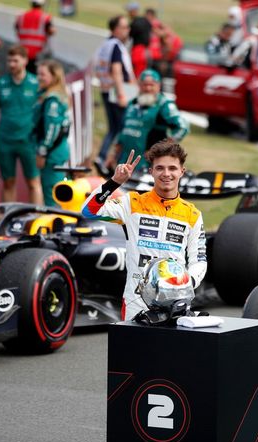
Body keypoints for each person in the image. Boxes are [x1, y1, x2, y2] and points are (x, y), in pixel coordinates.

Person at [82, 140, 207, 319]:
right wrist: (114, 182)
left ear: (182, 171)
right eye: (160, 168)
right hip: (136, 302)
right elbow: (88, 211)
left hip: (176, 303)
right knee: (131, 348)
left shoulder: (193, 214)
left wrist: (185, 284)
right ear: (151, 172)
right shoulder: (132, 203)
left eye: (172, 168)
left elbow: (199, 260)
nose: (166, 174)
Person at [0, 45, 43, 204]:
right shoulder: (1, 84)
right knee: (8, 183)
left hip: (29, 141)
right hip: (6, 141)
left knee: (33, 182)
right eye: (9, 61)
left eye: (15, 61)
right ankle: (9, 220)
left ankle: (37, 221)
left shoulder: (35, 83)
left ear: (24, 61)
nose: (11, 64)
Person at [106, 69, 188, 173]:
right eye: (144, 85)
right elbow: (123, 130)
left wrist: (161, 150)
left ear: (158, 86)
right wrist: (112, 155)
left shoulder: (164, 105)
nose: (148, 88)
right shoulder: (132, 103)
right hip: (124, 162)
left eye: (151, 85)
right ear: (139, 85)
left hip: (148, 166)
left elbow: (183, 128)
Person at [93, 15, 136, 173]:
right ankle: (112, 160)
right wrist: (122, 95)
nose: (128, 30)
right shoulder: (116, 46)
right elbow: (117, 71)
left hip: (106, 89)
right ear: (115, 29)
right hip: (118, 92)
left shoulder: (106, 44)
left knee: (113, 128)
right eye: (124, 27)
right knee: (123, 128)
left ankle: (102, 157)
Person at [33, 59, 71, 206]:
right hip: (59, 150)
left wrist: (42, 152)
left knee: (53, 193)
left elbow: (52, 130)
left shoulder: (52, 99)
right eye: (38, 74)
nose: (39, 77)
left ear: (54, 77)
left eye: (43, 74)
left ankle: (57, 225)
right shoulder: (56, 95)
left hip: (53, 153)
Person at [15, 0, 56, 74]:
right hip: (38, 53)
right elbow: (52, 31)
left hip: (23, 52)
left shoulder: (21, 16)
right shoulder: (45, 17)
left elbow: (17, 28)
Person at [126, 1, 152, 77]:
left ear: (134, 11)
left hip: (137, 51)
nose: (129, 13)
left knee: (135, 74)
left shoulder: (134, 23)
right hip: (146, 51)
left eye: (129, 11)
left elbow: (128, 36)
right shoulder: (145, 20)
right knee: (142, 73)